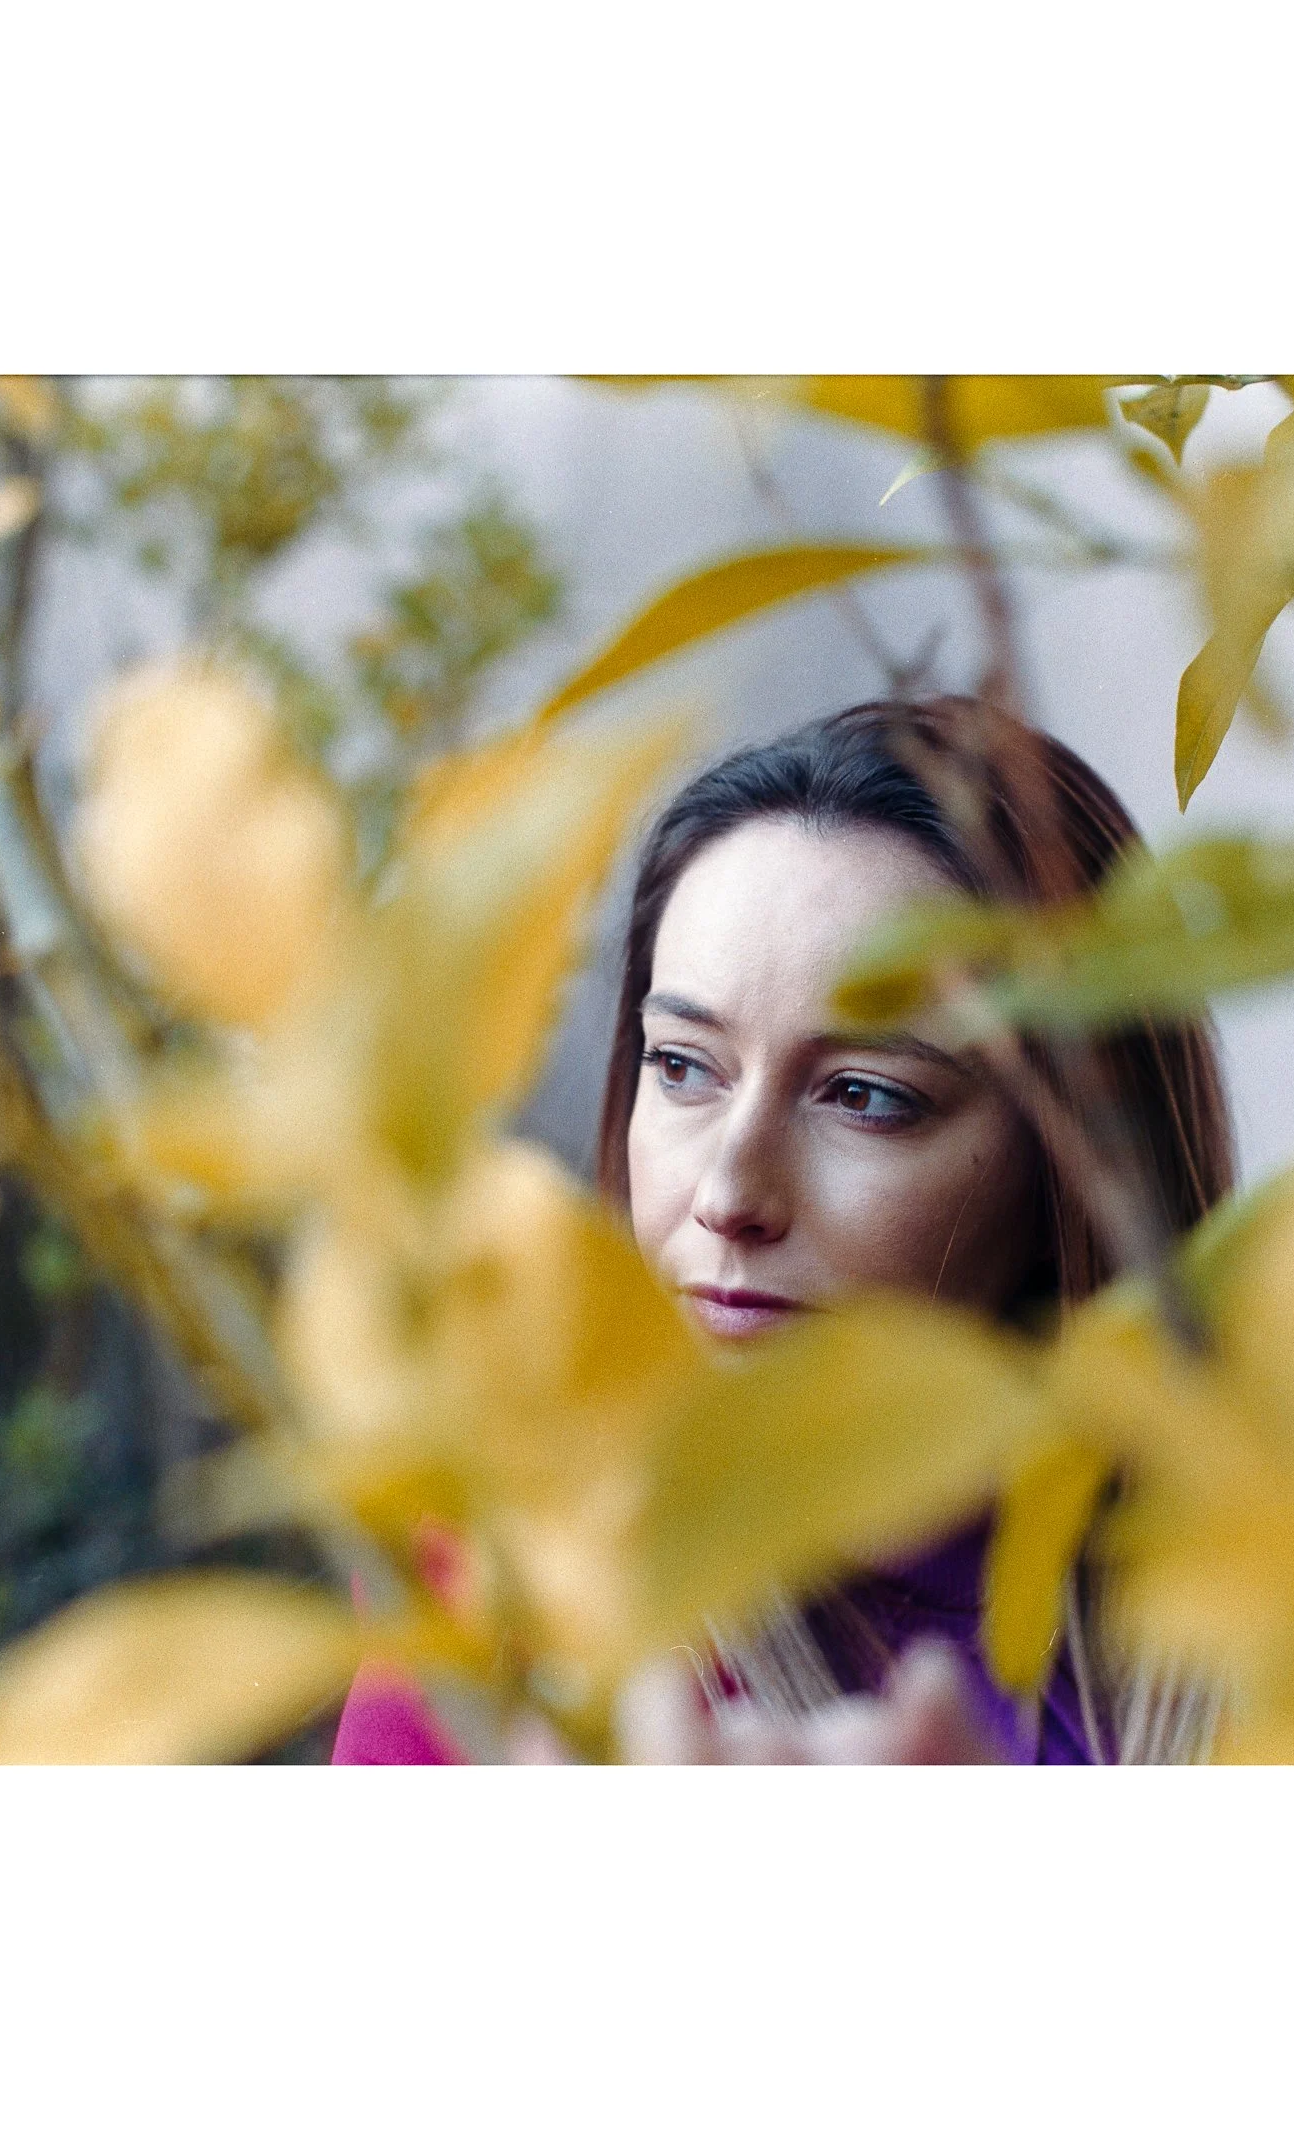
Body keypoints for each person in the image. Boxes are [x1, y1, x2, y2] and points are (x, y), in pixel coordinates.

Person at [331, 696, 1236, 1765]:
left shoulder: (1278, 1590)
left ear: (1078, 1165)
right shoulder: (513, 1588)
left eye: (865, 1095)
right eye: (681, 1067)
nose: (729, 1190)